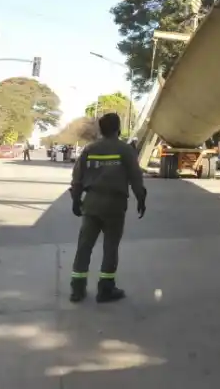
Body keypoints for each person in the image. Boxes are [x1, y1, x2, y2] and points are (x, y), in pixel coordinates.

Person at [69, 113, 147, 303]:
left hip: (92, 203)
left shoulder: (90, 149)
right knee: (110, 247)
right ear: (118, 129)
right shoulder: (125, 150)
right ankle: (105, 289)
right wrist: (141, 199)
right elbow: (136, 178)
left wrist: (76, 199)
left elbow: (77, 177)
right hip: (115, 205)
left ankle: (77, 290)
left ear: (101, 130)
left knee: (84, 246)